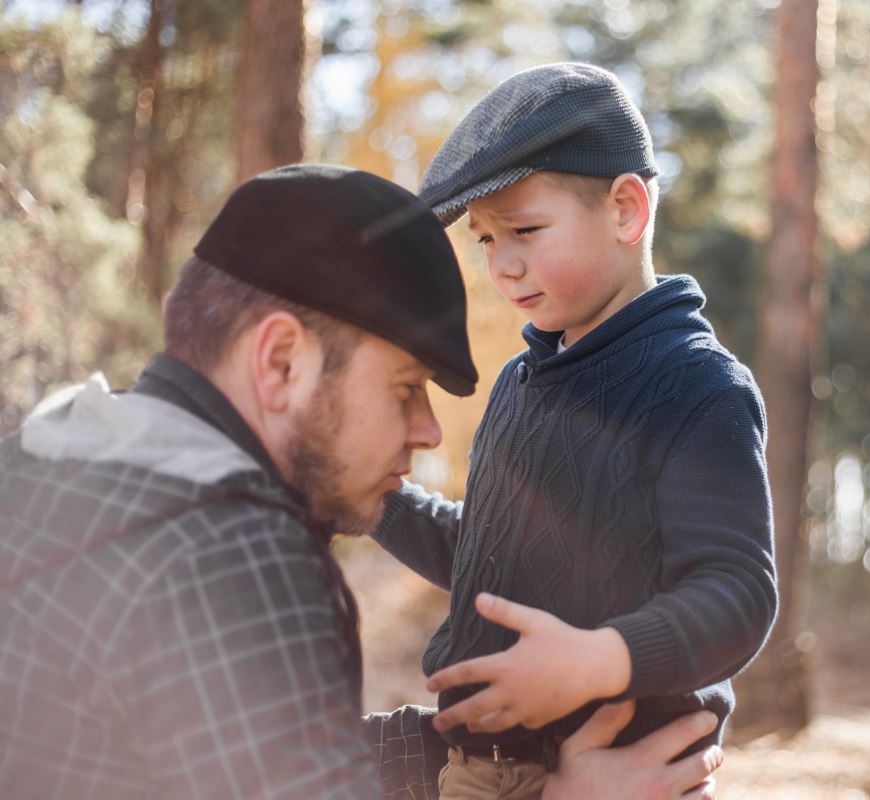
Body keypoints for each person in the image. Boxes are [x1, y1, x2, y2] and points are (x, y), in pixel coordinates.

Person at [0, 164, 722, 799]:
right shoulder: (235, 559)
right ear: (282, 362)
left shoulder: (55, 463)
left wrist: (470, 749)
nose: (428, 431)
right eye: (406, 386)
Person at [370, 63, 778, 799]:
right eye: (486, 239)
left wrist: (600, 660)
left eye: (525, 230)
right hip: (479, 767)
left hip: (620, 766)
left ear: (627, 210)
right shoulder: (518, 385)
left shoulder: (696, 386)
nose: (504, 264)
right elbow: (490, 557)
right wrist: (372, 497)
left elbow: (738, 591)